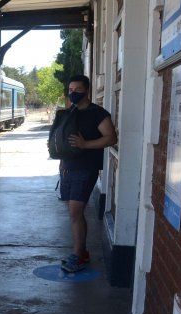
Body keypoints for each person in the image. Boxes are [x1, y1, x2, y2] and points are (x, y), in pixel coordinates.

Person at [59, 75, 117, 272]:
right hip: (68, 168)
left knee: (75, 212)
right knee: (73, 213)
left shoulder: (98, 113)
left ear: (87, 91)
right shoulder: (70, 112)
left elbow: (111, 138)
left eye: (77, 90)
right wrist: (61, 162)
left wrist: (86, 144)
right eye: (71, 90)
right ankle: (81, 252)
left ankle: (78, 256)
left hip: (85, 168)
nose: (73, 93)